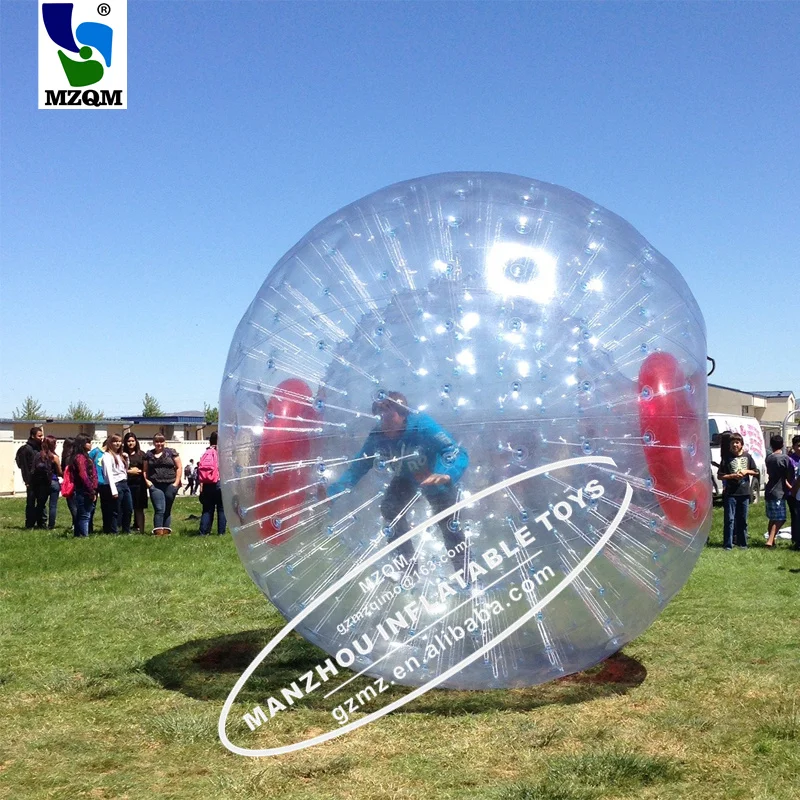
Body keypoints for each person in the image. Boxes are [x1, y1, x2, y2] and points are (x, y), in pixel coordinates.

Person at [327, 391, 468, 573]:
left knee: (449, 524)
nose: (383, 418)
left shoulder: (421, 425)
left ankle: (467, 573)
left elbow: (455, 451)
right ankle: (408, 569)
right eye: (380, 412)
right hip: (405, 478)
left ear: (402, 414)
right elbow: (359, 466)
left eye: (388, 412)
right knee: (390, 508)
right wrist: (333, 493)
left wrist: (446, 474)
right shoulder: (378, 435)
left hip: (434, 477)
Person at [717, 432, 759, 549]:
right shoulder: (726, 458)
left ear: (741, 444)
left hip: (744, 492)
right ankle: (728, 545)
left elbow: (756, 471)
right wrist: (732, 476)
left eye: (737, 442)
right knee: (729, 519)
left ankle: (743, 543)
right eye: (732, 443)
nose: (735, 445)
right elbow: (720, 476)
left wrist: (746, 471)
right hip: (731, 493)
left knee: (743, 519)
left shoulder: (748, 456)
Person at [143, 434, 182, 535]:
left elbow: (179, 467)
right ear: (153, 443)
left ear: (165, 442)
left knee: (167, 509)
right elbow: (145, 470)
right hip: (155, 485)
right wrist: (148, 482)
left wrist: (176, 483)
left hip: (170, 484)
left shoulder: (171, 453)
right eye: (157, 442)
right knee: (160, 509)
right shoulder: (148, 455)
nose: (159, 444)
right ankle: (158, 532)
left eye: (161, 441)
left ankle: (166, 531)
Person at [100, 435, 132, 534]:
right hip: (115, 484)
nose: (117, 443)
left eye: (119, 441)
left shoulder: (121, 455)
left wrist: (127, 460)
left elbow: (124, 470)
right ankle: (113, 531)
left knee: (128, 508)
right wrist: (113, 490)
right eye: (115, 441)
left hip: (124, 483)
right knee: (115, 510)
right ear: (110, 443)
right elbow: (108, 473)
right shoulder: (107, 456)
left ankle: (126, 530)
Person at [30, 434, 63, 529]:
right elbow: (60, 472)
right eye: (55, 443)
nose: (56, 445)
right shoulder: (54, 457)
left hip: (42, 483)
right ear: (52, 445)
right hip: (53, 482)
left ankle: (35, 523)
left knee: (40, 504)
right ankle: (51, 526)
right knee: (53, 506)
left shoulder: (38, 455)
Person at [198, 432, 226, 535]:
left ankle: (204, 532)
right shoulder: (223, 452)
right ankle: (221, 532)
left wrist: (201, 485)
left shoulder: (206, 452)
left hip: (207, 483)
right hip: (220, 484)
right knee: (221, 509)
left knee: (207, 509)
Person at [15, 426, 44, 528]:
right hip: (31, 480)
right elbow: (24, 467)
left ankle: (41, 523)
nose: (41, 437)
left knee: (41, 503)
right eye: (39, 436)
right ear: (33, 436)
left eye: (42, 435)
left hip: (41, 479)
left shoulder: (40, 447)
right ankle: (30, 524)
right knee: (31, 502)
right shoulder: (26, 449)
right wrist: (27, 481)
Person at [70, 434, 98, 537]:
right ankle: (83, 536)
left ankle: (78, 535)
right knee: (85, 515)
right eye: (88, 442)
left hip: (86, 489)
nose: (90, 445)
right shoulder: (80, 457)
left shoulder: (86, 456)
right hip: (83, 489)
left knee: (81, 514)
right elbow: (83, 475)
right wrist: (91, 489)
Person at [123, 433, 148, 533]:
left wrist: (139, 471)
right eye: (128, 441)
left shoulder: (141, 454)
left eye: (132, 441)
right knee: (127, 508)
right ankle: (125, 529)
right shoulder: (122, 454)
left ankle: (141, 530)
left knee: (139, 508)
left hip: (139, 485)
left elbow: (146, 469)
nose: (130, 443)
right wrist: (129, 471)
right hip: (126, 484)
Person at [87, 439, 107, 533]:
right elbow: (87, 464)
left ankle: (106, 527)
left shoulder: (111, 454)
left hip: (106, 483)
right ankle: (89, 528)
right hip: (94, 483)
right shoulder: (96, 451)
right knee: (92, 506)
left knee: (106, 506)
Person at [60, 437, 78, 531]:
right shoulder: (76, 457)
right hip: (76, 483)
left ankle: (76, 523)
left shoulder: (66, 457)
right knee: (76, 505)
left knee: (72, 505)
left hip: (70, 484)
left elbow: (63, 471)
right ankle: (75, 523)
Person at [787, 435, 800, 550]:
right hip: (793, 492)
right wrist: (792, 489)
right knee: (795, 516)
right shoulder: (790, 459)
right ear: (794, 446)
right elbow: (786, 477)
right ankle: (795, 540)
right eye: (798, 445)